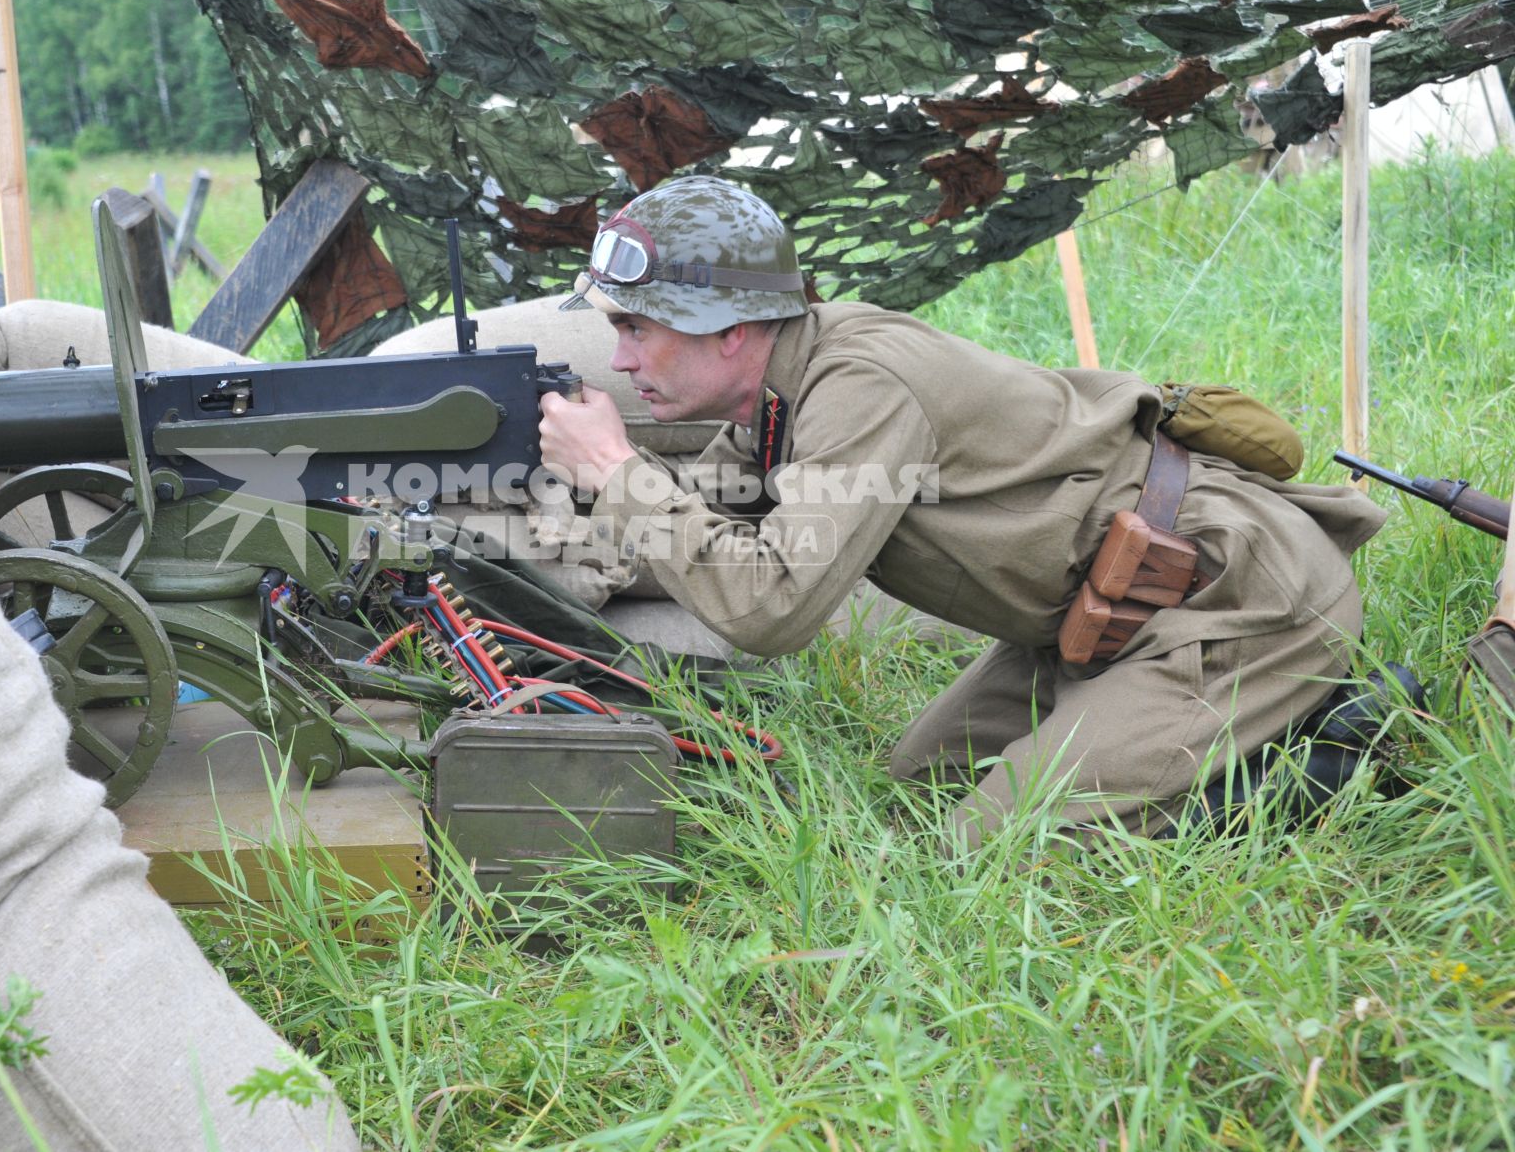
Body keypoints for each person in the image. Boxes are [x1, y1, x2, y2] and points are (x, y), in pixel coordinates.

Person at [537, 174, 1387, 845]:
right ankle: (1180, 734)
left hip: (1233, 600)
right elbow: (703, 530)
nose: (620, 358)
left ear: (728, 327)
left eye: (637, 329)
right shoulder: (779, 400)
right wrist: (561, 513)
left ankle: (1328, 744)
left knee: (992, 853)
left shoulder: (858, 385)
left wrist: (617, 471)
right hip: (1095, 621)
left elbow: (769, 605)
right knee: (919, 788)